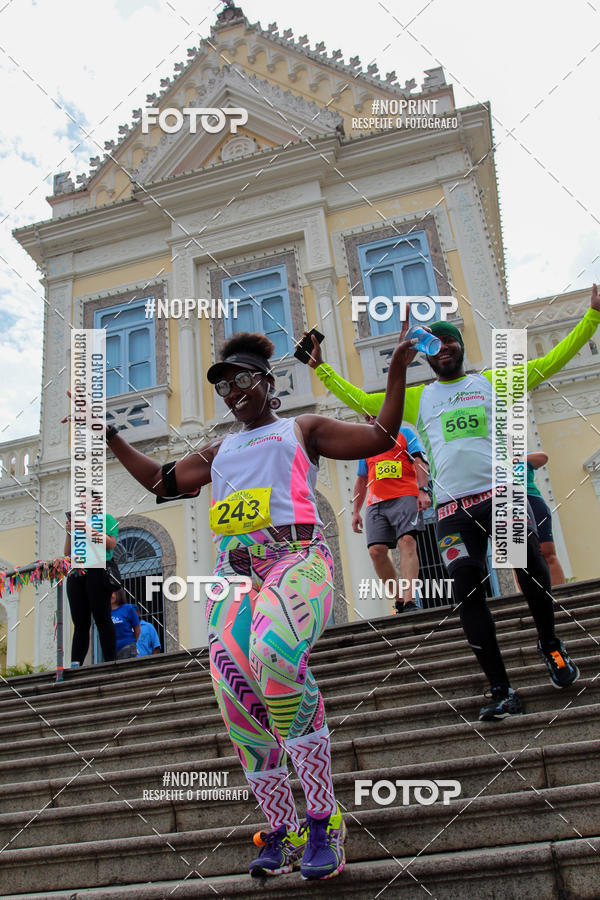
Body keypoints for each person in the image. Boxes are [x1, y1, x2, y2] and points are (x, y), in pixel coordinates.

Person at [97, 326, 414, 880]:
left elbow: (381, 438)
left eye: (243, 379)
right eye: (223, 384)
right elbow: (160, 482)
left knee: (275, 654)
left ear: (269, 383)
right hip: (234, 572)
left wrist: (394, 374)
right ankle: (282, 830)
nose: (233, 390)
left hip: (296, 558)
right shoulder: (220, 450)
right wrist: (110, 439)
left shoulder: (302, 428)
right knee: (235, 692)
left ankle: (322, 820)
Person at [307, 285, 600, 721]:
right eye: (433, 344)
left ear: (460, 345)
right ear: (424, 354)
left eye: (449, 341)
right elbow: (363, 402)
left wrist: (593, 318)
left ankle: (551, 645)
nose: (443, 348)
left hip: (502, 498)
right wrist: (323, 368)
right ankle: (502, 689)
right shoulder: (416, 397)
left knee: (531, 570)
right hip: (452, 513)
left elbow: (552, 360)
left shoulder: (492, 382)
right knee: (468, 592)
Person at [352, 417, 431, 612]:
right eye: (366, 418)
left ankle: (410, 599)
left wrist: (423, 490)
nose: (370, 421)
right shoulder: (366, 444)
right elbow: (362, 480)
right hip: (376, 502)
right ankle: (399, 600)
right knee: (376, 551)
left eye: (373, 416)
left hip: (405, 495)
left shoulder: (405, 433)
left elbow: (420, 461)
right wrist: (355, 511)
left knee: (407, 541)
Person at [64, 504, 120, 667]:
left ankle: (110, 660)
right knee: (80, 623)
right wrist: (69, 532)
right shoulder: (78, 525)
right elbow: (67, 553)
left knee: (102, 617)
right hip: (76, 572)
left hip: (97, 569)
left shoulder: (106, 519)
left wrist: (86, 527)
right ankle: (76, 663)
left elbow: (110, 544)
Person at [526, 452, 566, 585]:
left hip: (532, 500)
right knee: (518, 560)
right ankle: (528, 601)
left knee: (547, 552)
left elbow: (543, 458)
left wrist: (513, 458)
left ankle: (561, 596)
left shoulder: (520, 455)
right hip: (507, 502)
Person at [110, 588, 141, 659]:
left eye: (112, 593)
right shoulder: (105, 612)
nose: (110, 595)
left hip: (127, 647)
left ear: (119, 594)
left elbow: (137, 628)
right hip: (112, 649)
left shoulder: (128, 608)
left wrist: (131, 643)